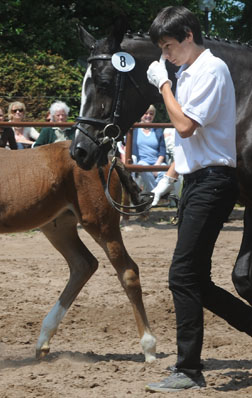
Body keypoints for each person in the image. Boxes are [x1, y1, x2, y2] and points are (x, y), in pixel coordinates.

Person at [145, 6, 252, 392]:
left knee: (182, 276)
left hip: (213, 183)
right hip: (196, 182)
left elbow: (186, 126)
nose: (166, 55)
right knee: (196, 281)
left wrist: (163, 86)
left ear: (189, 35)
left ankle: (188, 369)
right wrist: (169, 178)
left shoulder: (210, 70)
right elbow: (195, 141)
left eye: (170, 46)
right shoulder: (190, 72)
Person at [131, 105, 167, 192]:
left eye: (151, 114)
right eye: (145, 113)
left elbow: (162, 151)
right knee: (144, 168)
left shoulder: (158, 130)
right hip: (141, 161)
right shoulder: (134, 129)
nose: (148, 116)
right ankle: (157, 194)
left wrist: (156, 166)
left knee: (165, 170)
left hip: (157, 162)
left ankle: (155, 193)